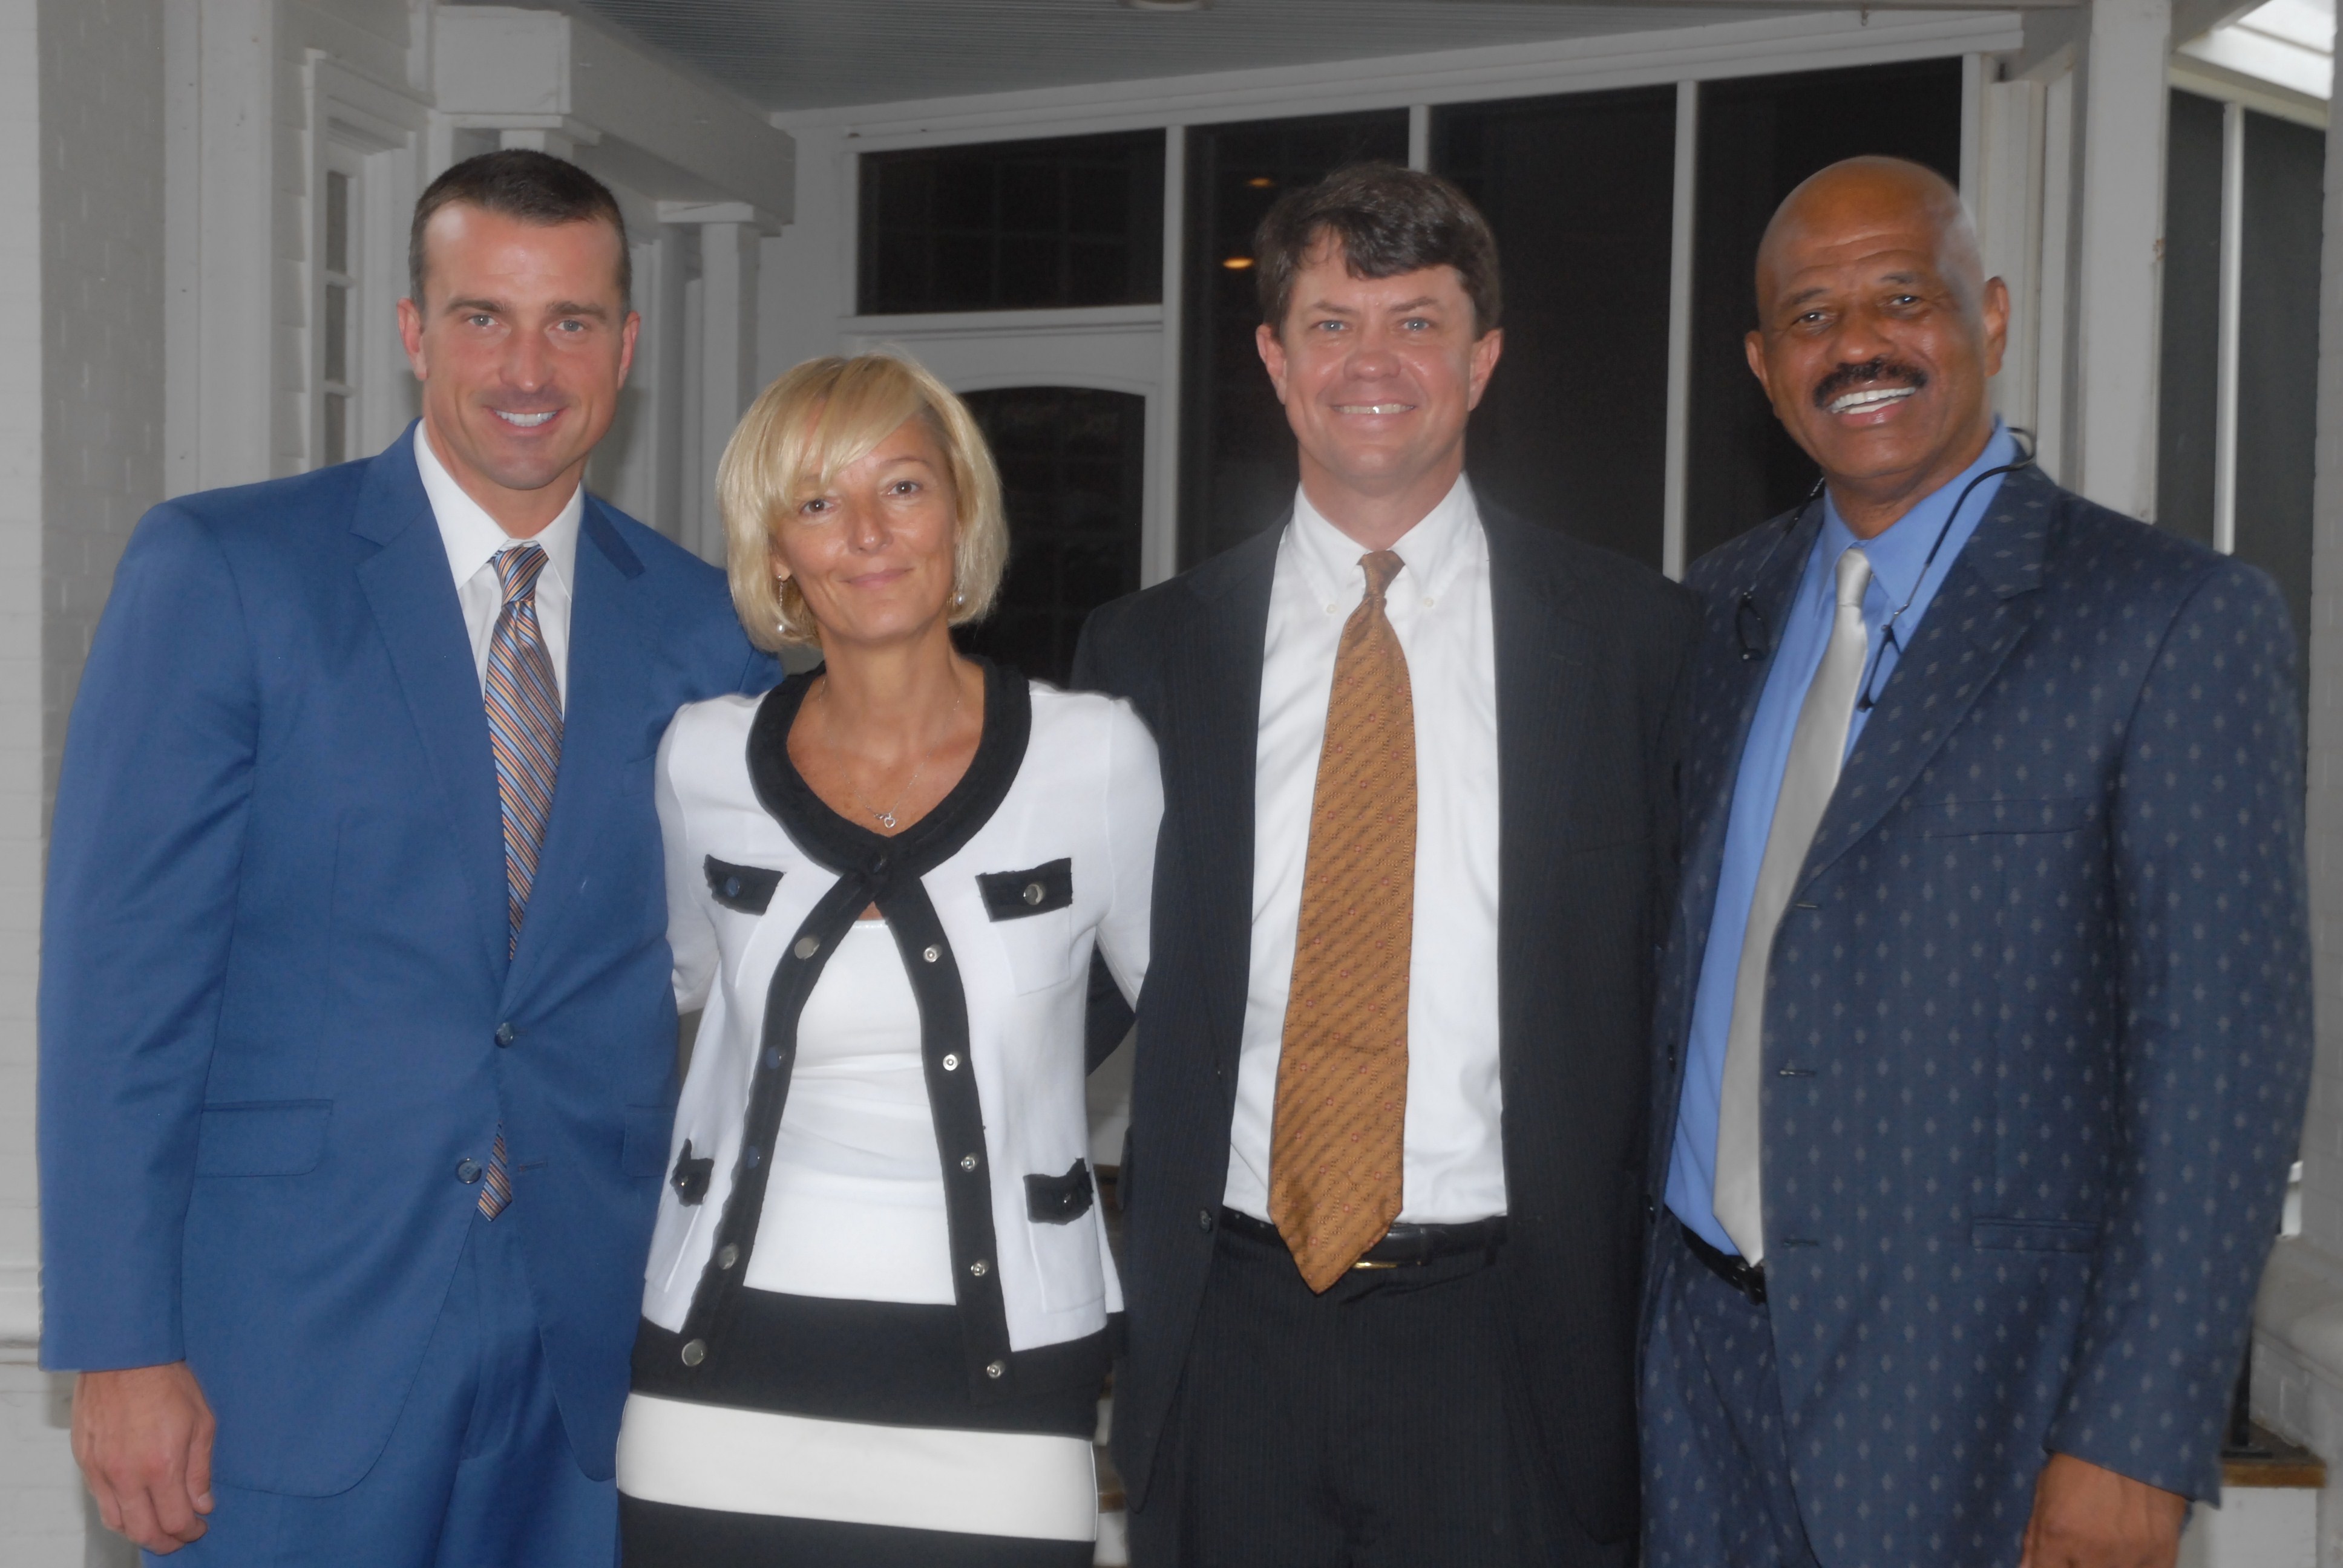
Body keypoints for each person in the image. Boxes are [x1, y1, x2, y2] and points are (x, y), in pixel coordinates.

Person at [38, 150, 775, 1565]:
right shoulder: (226, 571)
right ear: (409, 330)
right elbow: (119, 990)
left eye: (570, 321)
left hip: (589, 1363)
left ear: (625, 345)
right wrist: (120, 1345)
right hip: (282, 1353)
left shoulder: (706, 630)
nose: (528, 365)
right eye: (482, 315)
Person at [1642, 155, 2313, 1568]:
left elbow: (2225, 1064)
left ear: (1989, 319)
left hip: (1991, 1414)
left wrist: (2134, 1436)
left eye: (1904, 297)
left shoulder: (2167, 619)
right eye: (1812, 318)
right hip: (1697, 1393)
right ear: (1764, 367)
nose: (1859, 346)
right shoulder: (1708, 617)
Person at [1074, 163, 1698, 1567]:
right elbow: (1063, 990)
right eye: (1333, 322)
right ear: (1274, 359)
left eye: (1415, 323)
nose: (1372, 362)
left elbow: (1691, 989)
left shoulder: (1637, 645)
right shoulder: (1145, 654)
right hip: (1224, 1331)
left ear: (1480, 361)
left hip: (1516, 1345)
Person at [614, 352, 1160, 1566]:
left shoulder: (1096, 759)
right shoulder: (700, 760)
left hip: (1004, 1368)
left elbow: (1196, 1031)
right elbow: (662, 992)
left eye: (902, 488)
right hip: (719, 1361)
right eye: (817, 502)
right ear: (776, 554)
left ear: (959, 510)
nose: (866, 533)